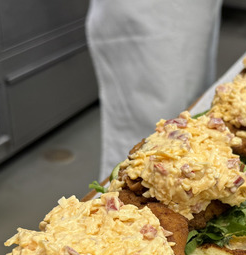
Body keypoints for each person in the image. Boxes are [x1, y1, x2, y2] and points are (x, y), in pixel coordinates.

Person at [86, 0, 222, 180]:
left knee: (194, 111)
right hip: (146, 12)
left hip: (196, 10)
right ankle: (130, 194)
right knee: (145, 129)